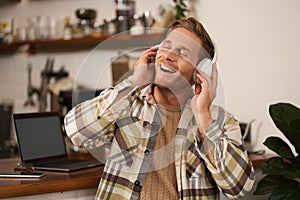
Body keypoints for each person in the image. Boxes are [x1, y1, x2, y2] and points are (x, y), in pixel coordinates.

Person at [64, 17, 255, 200]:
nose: (169, 56)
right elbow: (76, 132)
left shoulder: (219, 121)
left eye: (183, 53)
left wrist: (204, 119)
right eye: (167, 46)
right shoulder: (125, 105)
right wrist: (133, 82)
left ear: (199, 72)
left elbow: (238, 187)